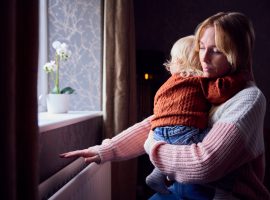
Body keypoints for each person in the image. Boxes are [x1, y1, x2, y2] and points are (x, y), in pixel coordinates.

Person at [60, 12, 270, 199]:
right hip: (183, 189)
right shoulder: (205, 85)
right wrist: (104, 150)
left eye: (216, 51)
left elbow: (204, 164)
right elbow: (159, 123)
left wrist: (153, 146)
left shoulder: (248, 99)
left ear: (236, 55)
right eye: (202, 47)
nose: (203, 58)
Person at [145, 35, 246, 199]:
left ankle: (157, 174)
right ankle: (223, 192)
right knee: (230, 154)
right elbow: (220, 92)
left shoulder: (168, 83)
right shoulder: (200, 80)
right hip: (184, 131)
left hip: (157, 132)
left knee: (172, 143)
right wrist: (240, 78)